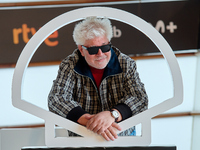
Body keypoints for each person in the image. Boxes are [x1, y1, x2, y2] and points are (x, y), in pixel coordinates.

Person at [48, 16, 148, 141]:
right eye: (93, 49)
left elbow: (140, 99)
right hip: (83, 139)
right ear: (81, 50)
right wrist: (90, 121)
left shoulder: (126, 64)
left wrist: (113, 115)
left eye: (105, 47)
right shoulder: (69, 65)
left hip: (122, 139)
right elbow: (57, 99)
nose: (100, 54)